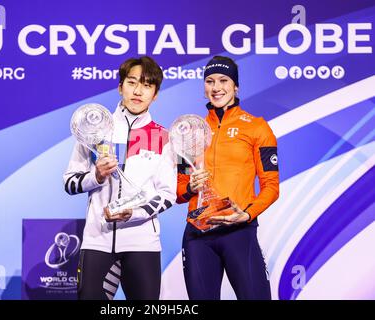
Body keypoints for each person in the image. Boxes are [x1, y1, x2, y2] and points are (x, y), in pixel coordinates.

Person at [64, 56, 177, 300]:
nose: (138, 91)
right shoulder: (94, 129)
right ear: (120, 86)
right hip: (98, 241)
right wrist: (96, 176)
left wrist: (134, 213)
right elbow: (70, 182)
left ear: (155, 94)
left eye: (147, 85)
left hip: (142, 244)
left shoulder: (163, 136)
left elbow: (168, 194)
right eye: (132, 82)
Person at [176, 56, 279, 300]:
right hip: (198, 234)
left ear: (236, 87)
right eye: (210, 81)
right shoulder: (188, 130)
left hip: (238, 230)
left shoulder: (257, 127)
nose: (216, 87)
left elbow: (271, 187)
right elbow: (179, 191)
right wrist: (190, 186)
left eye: (223, 80)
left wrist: (247, 214)